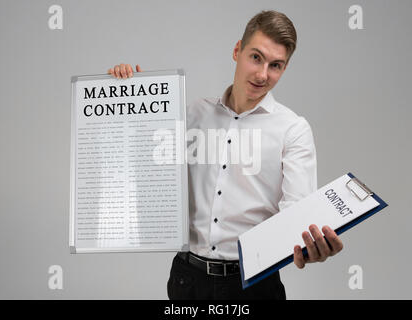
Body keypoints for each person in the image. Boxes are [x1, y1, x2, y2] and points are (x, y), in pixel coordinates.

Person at [108, 10, 343, 300]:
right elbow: (142, 170)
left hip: (254, 285)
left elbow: (297, 216)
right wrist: (125, 95)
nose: (262, 74)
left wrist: (309, 247)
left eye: (276, 65)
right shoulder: (194, 114)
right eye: (256, 57)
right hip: (187, 280)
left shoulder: (292, 130)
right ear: (237, 51)